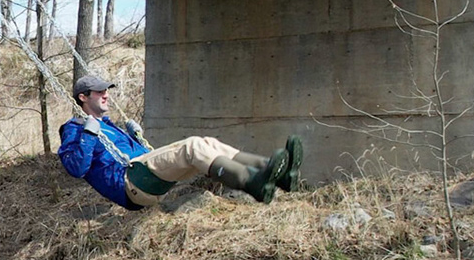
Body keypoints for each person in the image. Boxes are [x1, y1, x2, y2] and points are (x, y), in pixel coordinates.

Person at [57, 75, 303, 209]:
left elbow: (141, 156)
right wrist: (89, 135)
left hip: (141, 176)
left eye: (106, 90)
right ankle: (252, 183)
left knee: (206, 142)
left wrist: (135, 137)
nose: (106, 95)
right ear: (83, 97)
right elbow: (76, 169)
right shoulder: (74, 129)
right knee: (192, 147)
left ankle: (272, 170)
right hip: (131, 185)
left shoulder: (111, 126)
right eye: (100, 92)